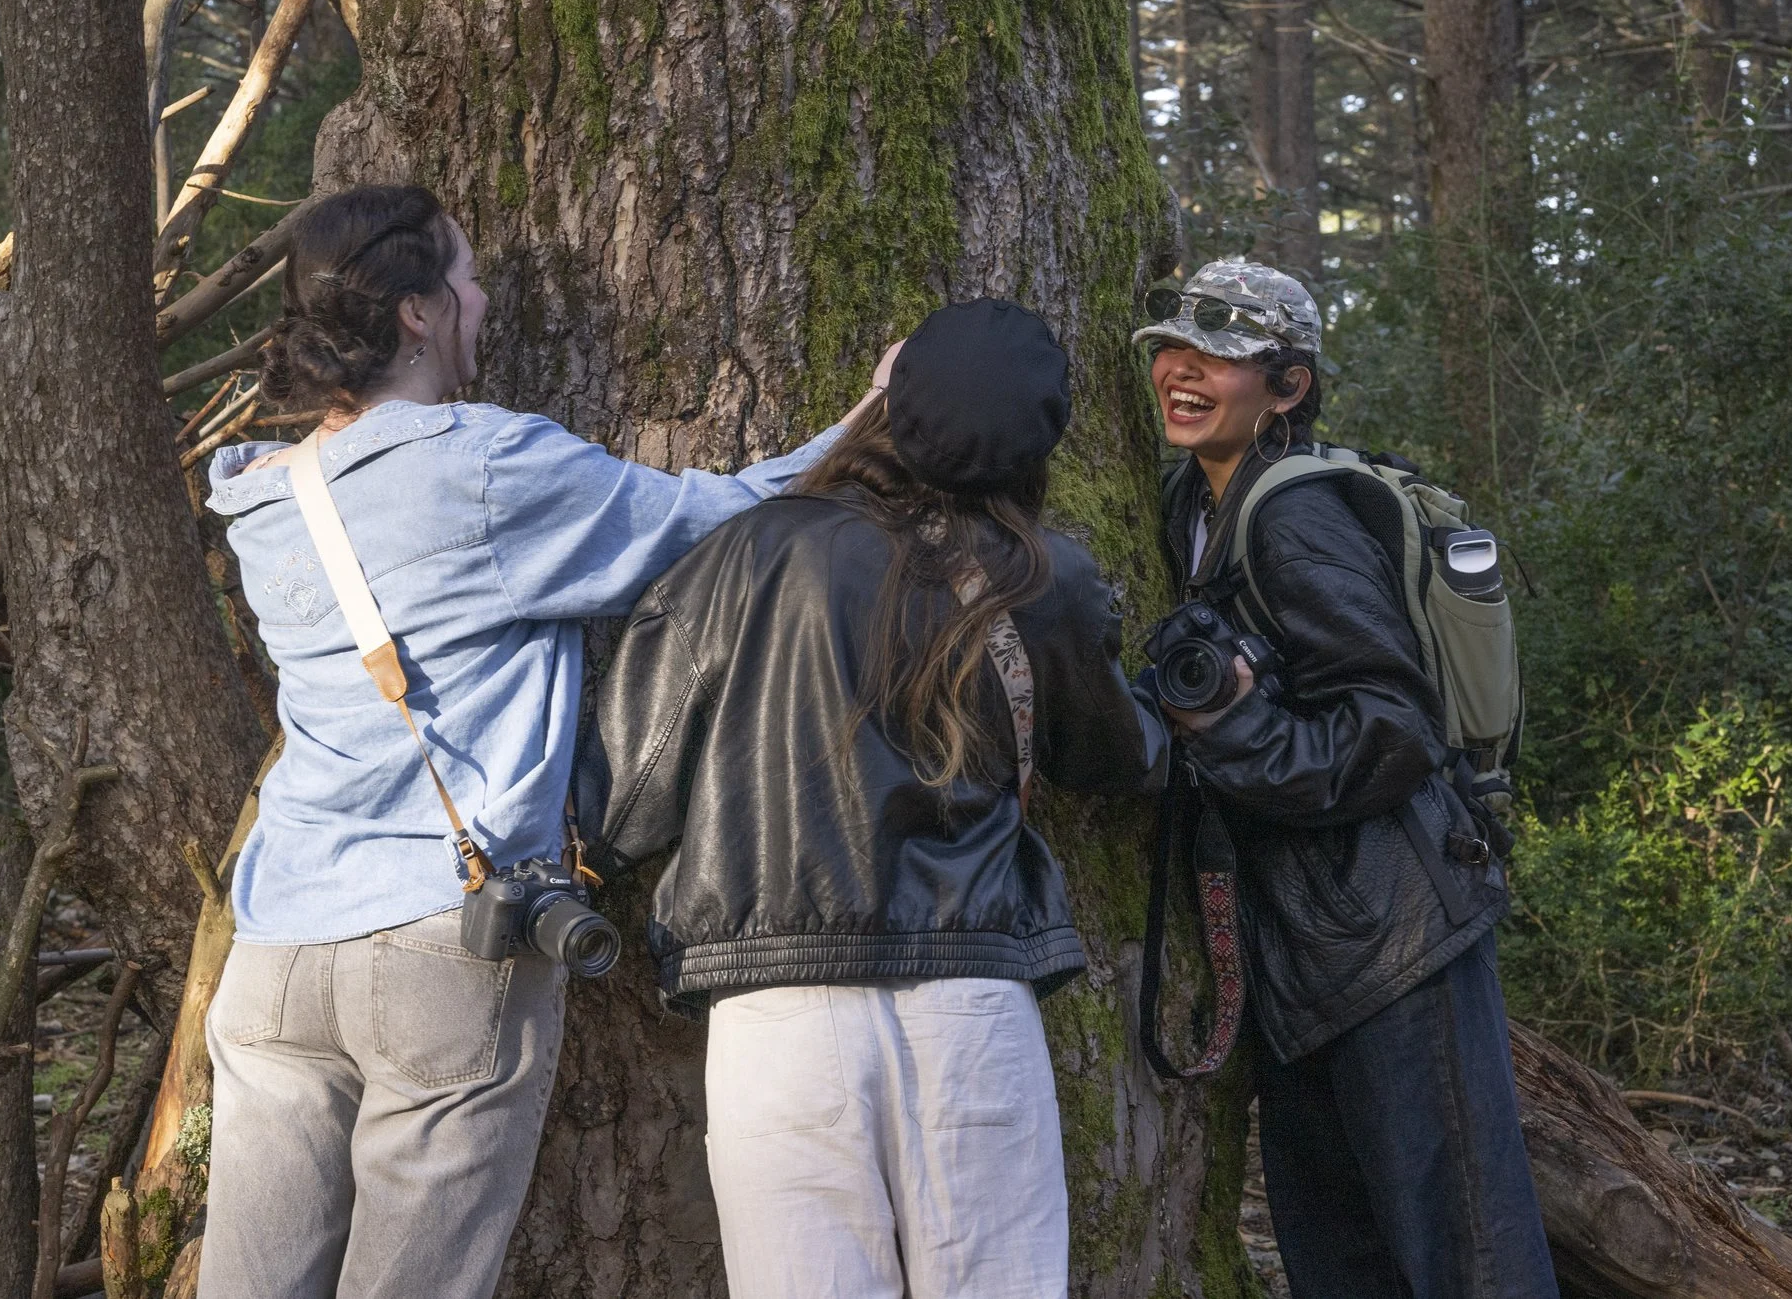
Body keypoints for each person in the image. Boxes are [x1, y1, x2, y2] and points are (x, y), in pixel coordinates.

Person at [196, 184, 890, 1299]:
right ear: (418, 313)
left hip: (275, 952)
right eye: (467, 281)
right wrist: (873, 416)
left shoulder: (263, 495)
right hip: (439, 943)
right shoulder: (481, 464)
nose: (482, 300)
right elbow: (725, 523)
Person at [585, 299, 1168, 1299]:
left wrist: (589, 856)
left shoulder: (747, 551)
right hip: (973, 998)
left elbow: (629, 790)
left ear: (885, 409)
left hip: (779, 1007)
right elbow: (1119, 753)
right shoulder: (1043, 574)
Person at [1137, 257, 1559, 1299]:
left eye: (1220, 359)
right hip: (1308, 946)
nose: (1183, 373)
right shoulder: (1191, 500)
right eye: (1172, 351)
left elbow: (1394, 728)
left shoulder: (1295, 518)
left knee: (1465, 1257)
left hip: (1392, 930)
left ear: (1286, 385)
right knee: (1344, 1254)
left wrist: (1231, 727)